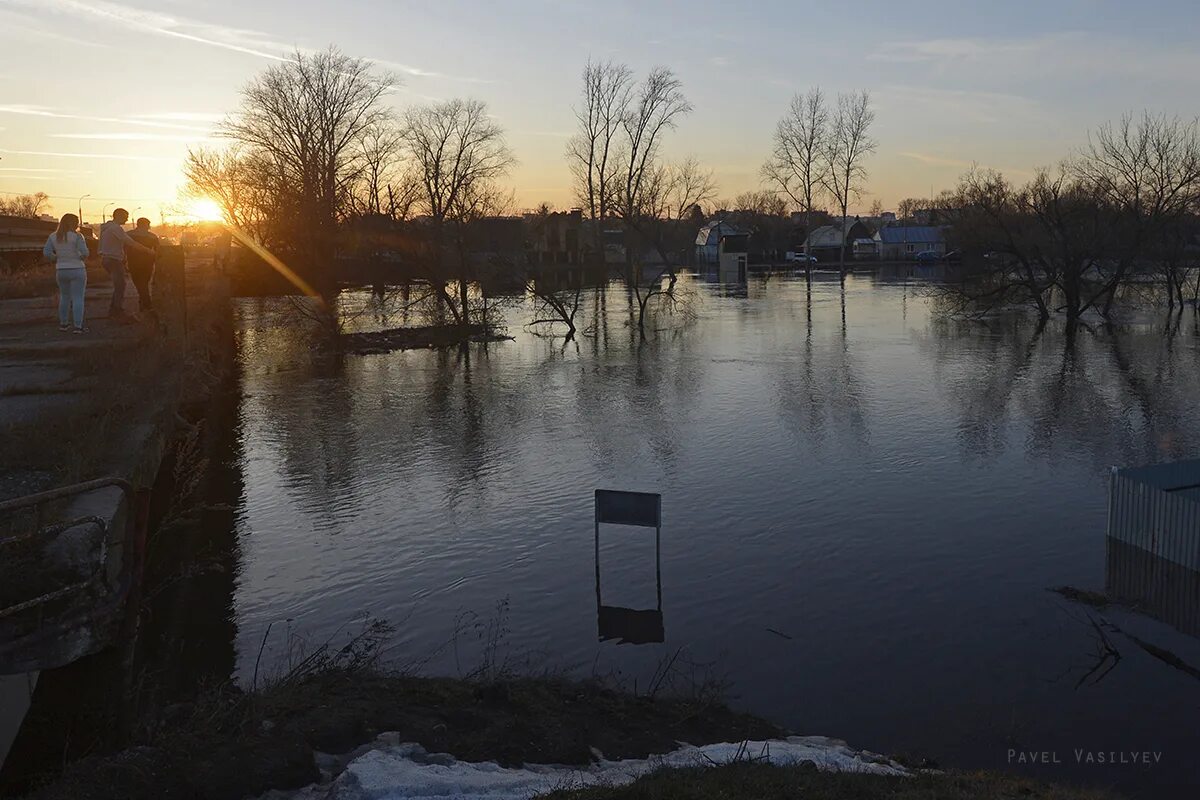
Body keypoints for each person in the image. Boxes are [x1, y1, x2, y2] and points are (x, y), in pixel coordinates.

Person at [98, 208, 153, 322]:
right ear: (118, 216)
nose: (127, 218)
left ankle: (114, 310)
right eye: (125, 216)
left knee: (120, 285)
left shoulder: (106, 228)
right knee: (120, 286)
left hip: (107, 258)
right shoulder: (115, 228)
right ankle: (117, 312)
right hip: (113, 260)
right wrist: (148, 251)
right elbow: (130, 242)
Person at [42, 213, 91, 333]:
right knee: (78, 298)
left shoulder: (53, 236)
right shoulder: (78, 236)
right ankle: (78, 326)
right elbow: (85, 253)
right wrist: (80, 256)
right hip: (77, 269)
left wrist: (56, 258)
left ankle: (64, 324)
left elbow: (46, 252)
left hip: (61, 270)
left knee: (64, 297)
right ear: (74, 223)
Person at [125, 217, 159, 312]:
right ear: (146, 225)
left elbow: (124, 248)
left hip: (133, 262)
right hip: (148, 263)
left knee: (139, 283)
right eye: (148, 225)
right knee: (144, 282)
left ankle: (145, 302)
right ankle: (146, 303)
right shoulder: (152, 236)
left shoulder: (129, 234)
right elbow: (157, 250)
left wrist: (124, 261)